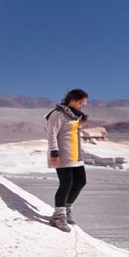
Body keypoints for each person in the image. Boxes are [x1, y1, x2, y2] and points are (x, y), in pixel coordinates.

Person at [45, 89, 89, 232]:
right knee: (66, 183)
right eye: (81, 103)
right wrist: (54, 153)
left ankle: (67, 209)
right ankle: (58, 216)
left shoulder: (76, 116)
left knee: (81, 181)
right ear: (73, 100)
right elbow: (51, 134)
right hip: (62, 154)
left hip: (76, 155)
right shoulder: (58, 114)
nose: (83, 106)